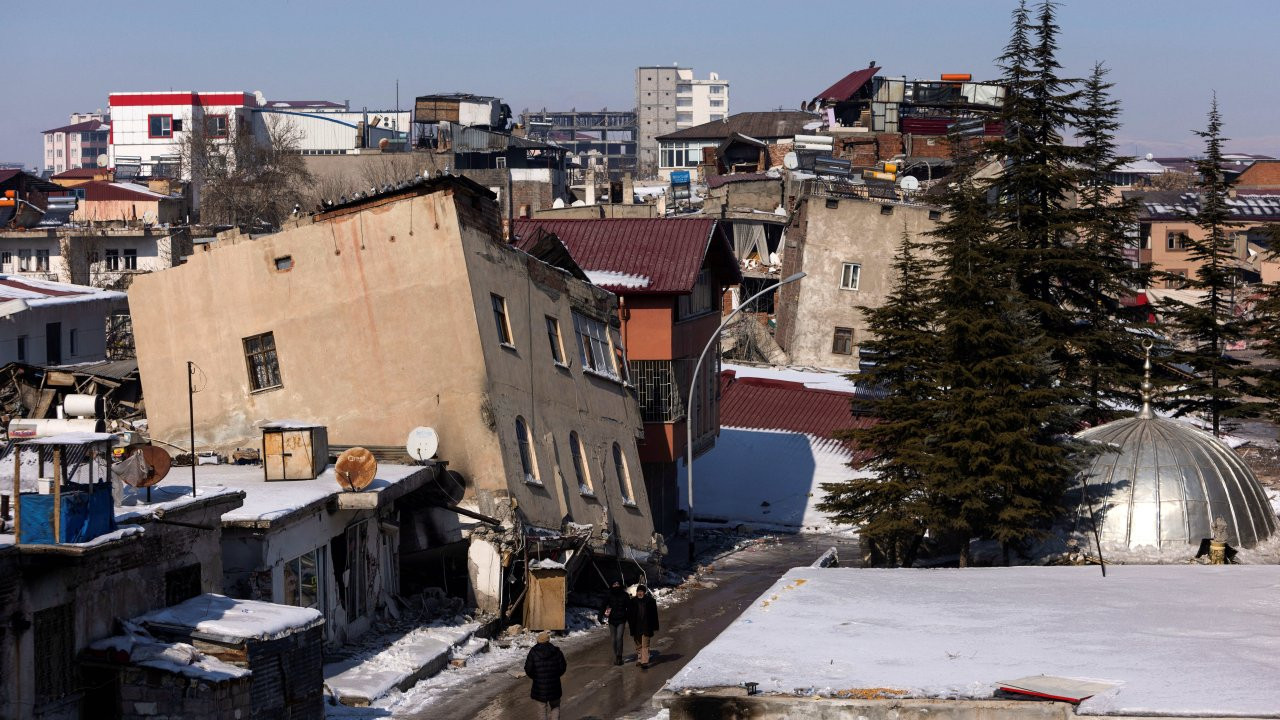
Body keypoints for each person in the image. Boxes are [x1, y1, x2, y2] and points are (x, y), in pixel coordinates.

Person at [525, 630, 567, 719]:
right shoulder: (556, 651)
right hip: (554, 685)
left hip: (540, 687)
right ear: (548, 640)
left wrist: (536, 677)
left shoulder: (533, 652)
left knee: (542, 710)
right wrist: (555, 675)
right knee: (555, 707)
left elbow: (528, 669)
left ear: (538, 641)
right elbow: (563, 667)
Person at [598, 580, 631, 665]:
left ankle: (619, 657)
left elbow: (629, 607)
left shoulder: (625, 595)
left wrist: (628, 616)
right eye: (614, 584)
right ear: (612, 585)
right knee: (613, 639)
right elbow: (603, 605)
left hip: (621, 620)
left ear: (620, 585)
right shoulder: (609, 594)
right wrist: (600, 616)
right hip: (612, 620)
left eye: (617, 584)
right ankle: (616, 655)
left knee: (619, 638)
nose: (616, 585)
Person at [627, 584, 659, 669]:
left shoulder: (650, 601)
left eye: (641, 591)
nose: (640, 593)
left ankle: (644, 662)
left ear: (644, 592)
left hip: (646, 626)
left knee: (645, 644)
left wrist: (655, 626)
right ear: (637, 592)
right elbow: (629, 615)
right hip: (636, 626)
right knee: (638, 644)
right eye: (638, 591)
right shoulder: (632, 602)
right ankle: (640, 659)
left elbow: (654, 615)